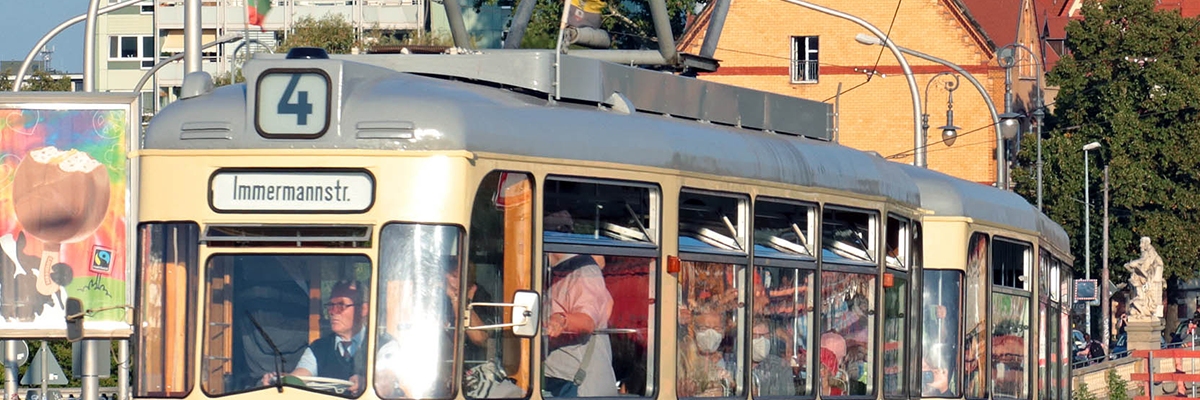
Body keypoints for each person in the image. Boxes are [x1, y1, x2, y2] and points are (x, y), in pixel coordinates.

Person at [262, 281, 367, 393]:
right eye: (330, 306)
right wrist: (279, 380)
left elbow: (381, 384)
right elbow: (300, 376)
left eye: (341, 306)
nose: (332, 312)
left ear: (363, 309)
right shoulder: (318, 348)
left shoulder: (379, 347)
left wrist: (367, 383)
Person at [542, 244, 617, 397]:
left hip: (579, 385)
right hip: (557, 378)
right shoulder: (552, 272)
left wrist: (561, 321)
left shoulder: (584, 269)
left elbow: (587, 321)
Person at [678, 308, 735, 397]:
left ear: (723, 332)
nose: (710, 334)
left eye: (716, 328)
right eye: (704, 328)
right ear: (692, 330)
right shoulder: (683, 360)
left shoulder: (731, 362)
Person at [750, 320, 797, 396]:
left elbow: (787, 396)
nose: (762, 340)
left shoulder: (781, 367)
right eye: (757, 336)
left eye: (766, 336)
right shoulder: (736, 366)